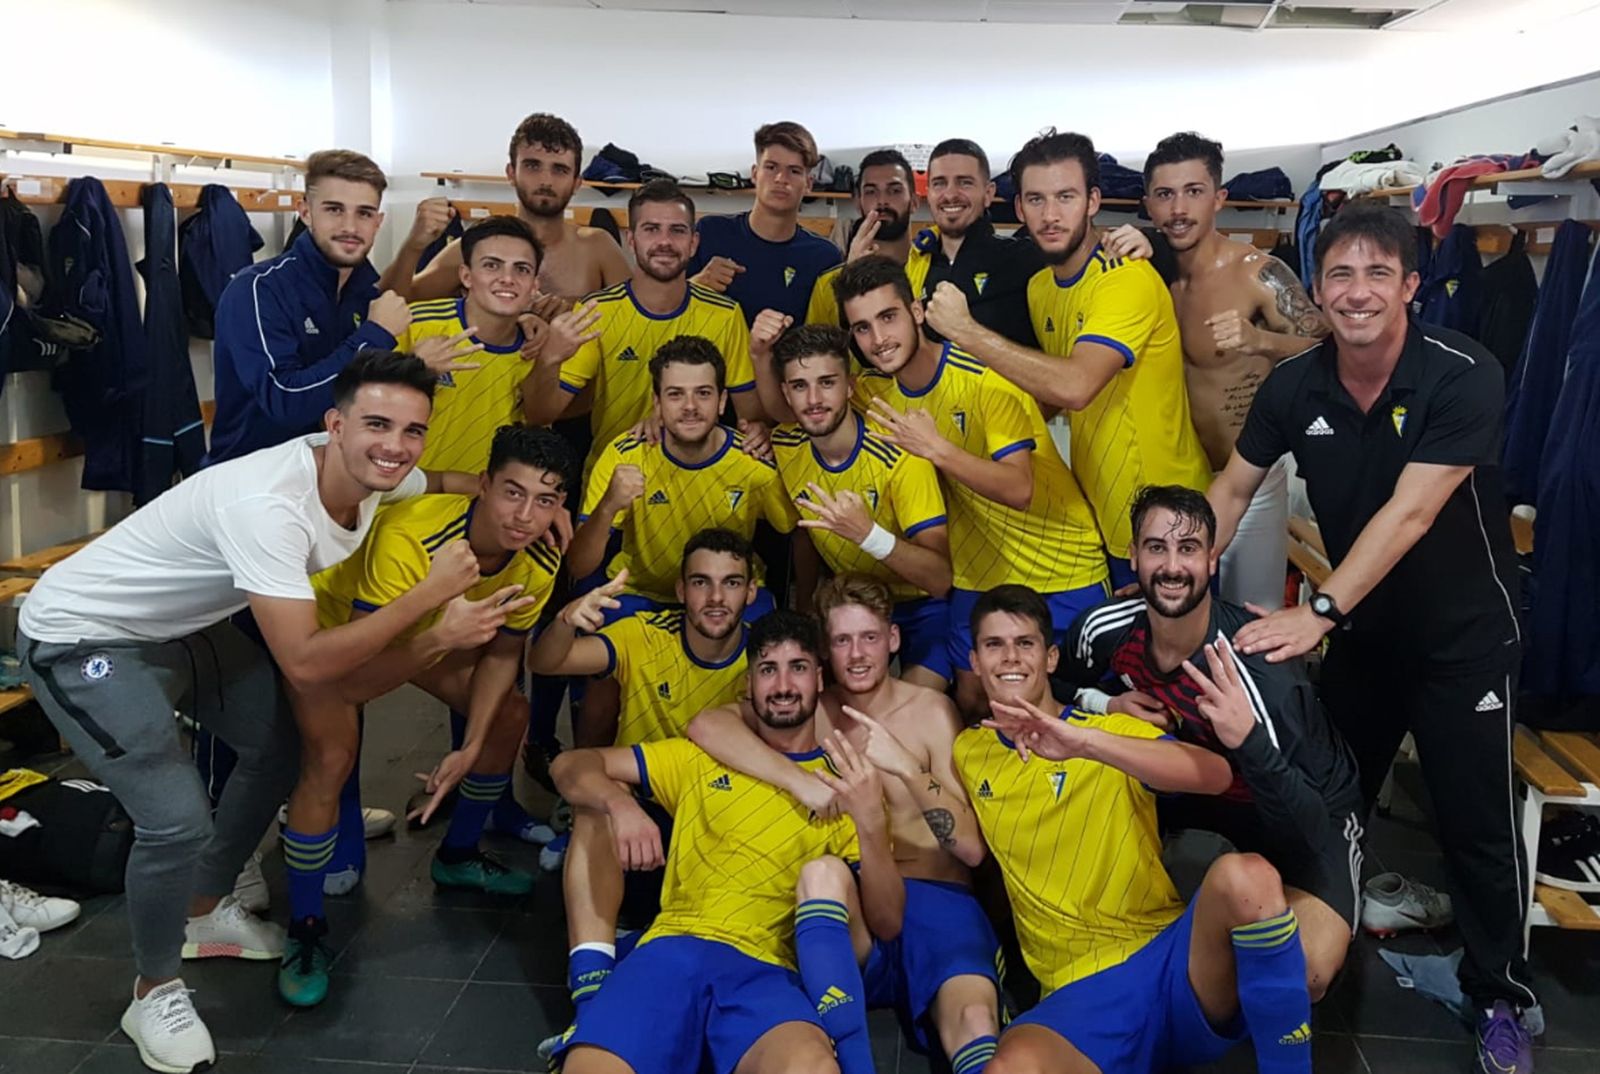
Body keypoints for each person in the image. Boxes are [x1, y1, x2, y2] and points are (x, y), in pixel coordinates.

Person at [13, 352, 470, 1073]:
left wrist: (515, 496)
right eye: (378, 424)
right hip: (81, 636)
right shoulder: (270, 504)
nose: (396, 445)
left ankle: (202, 909)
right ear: (334, 425)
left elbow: (435, 478)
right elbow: (309, 663)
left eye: (413, 430)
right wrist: (430, 599)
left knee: (278, 746)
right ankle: (153, 988)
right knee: (176, 818)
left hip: (176, 629)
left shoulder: (375, 472)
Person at [1207, 203, 1537, 1072]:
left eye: (1377, 274)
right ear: (1316, 291)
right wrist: (1171, 566)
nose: (1357, 293)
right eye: (1341, 276)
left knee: (1473, 822)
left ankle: (1499, 992)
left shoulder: (1464, 373)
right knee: (1330, 796)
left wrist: (1316, 613)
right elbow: (1232, 490)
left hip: (1463, 638)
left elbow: (1411, 512)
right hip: (1369, 636)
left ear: (1411, 286)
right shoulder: (1294, 386)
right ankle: (1316, 942)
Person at [957, 586, 1316, 1074]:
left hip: (1167, 963)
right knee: (1010, 1066)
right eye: (994, 645)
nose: (1010, 657)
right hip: (1079, 995)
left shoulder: (1109, 731)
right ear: (974, 661)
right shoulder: (968, 751)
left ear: (1052, 656)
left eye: (1026, 643)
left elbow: (1215, 776)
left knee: (1247, 877)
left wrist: (1086, 742)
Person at [275, 425, 572, 1007]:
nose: (526, 515)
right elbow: (359, 676)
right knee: (331, 757)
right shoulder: (414, 535)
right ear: (483, 486)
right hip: (334, 632)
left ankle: (457, 856)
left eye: (546, 500)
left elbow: (506, 654)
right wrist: (441, 636)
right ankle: (303, 930)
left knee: (508, 714)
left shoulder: (540, 554)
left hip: (420, 633)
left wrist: (469, 748)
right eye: (513, 492)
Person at [546, 610, 903, 1074]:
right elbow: (570, 766)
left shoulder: (847, 784)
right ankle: (594, 1000)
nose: (782, 685)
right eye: (767, 669)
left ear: (819, 678)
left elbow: (887, 921)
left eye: (798, 667)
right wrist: (621, 804)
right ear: (748, 686)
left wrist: (872, 821)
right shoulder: (700, 759)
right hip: (673, 948)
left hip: (768, 968)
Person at [1057, 485, 1363, 1001]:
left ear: (1212, 558)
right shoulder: (1105, 627)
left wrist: (1248, 741)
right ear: (1132, 556)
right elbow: (1058, 687)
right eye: (1156, 547)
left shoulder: (1262, 670)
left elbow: (1307, 824)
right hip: (1200, 794)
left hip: (1307, 812)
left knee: (1303, 972)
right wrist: (1104, 705)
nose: (1172, 566)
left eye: (1188, 549)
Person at [689, 574, 1004, 1074]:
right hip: (853, 908)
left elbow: (969, 848)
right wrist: (797, 780)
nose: (857, 654)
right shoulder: (816, 708)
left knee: (973, 1020)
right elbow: (706, 725)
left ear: (893, 640)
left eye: (869, 638)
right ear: (825, 652)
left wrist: (904, 764)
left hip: (937, 900)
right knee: (798, 1013)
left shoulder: (930, 711)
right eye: (841, 640)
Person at [925, 130, 1212, 590]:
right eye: (1036, 200)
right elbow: (1048, 397)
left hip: (1172, 525)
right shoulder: (1042, 287)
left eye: (1066, 197)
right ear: (1018, 209)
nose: (1051, 215)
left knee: (1181, 659)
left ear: (1093, 201)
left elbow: (1075, 387)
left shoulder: (1124, 279)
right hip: (1106, 518)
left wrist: (965, 332)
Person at [834, 254, 1107, 716]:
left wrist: (936, 449)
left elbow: (1020, 488)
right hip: (977, 575)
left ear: (917, 312)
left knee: (1075, 708)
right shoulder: (876, 394)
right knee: (974, 701)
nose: (878, 340)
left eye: (888, 317)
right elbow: (809, 402)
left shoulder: (985, 379)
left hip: (1062, 567)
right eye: (862, 328)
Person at [1138, 132, 1328, 610]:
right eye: (1165, 194)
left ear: (1218, 198)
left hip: (1248, 473)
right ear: (1148, 204)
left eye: (1194, 191)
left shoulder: (1255, 272)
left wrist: (1261, 340)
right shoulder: (1146, 272)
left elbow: (1331, 349)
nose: (1179, 208)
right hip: (1173, 477)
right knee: (1171, 619)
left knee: (1249, 618)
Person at [521, 179, 767, 477]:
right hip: (613, 481)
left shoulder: (725, 315)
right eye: (651, 229)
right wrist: (548, 359)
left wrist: (758, 433)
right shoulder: (597, 311)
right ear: (632, 240)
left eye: (677, 230)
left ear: (693, 243)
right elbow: (540, 414)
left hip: (699, 485)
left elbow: (750, 418)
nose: (664, 242)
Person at [767, 324, 954, 688]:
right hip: (850, 606)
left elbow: (940, 578)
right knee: (827, 704)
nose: (814, 399)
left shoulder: (900, 456)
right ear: (785, 394)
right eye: (800, 386)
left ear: (850, 387)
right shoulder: (784, 445)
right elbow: (804, 534)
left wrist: (867, 534)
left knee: (910, 711)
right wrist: (806, 605)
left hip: (921, 606)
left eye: (827, 382)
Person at [567, 336, 796, 617]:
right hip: (640, 593)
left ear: (722, 400)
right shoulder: (624, 455)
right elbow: (578, 567)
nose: (690, 406)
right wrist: (608, 506)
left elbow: (792, 529)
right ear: (657, 402)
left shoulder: (753, 462)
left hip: (726, 598)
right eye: (676, 394)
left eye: (703, 393)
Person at [207, 150, 410, 466]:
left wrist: (420, 366)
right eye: (334, 209)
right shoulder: (258, 290)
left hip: (329, 481)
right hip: (251, 484)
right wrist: (375, 335)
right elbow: (285, 401)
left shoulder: (367, 296)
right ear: (305, 211)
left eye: (365, 213)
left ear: (379, 221)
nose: (350, 226)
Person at [381, 112, 629, 311]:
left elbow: (634, 319)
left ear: (576, 183)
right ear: (511, 173)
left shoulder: (598, 247)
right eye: (533, 166)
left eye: (560, 170)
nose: (545, 180)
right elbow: (393, 304)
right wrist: (413, 245)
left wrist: (573, 309)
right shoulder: (475, 245)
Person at [391, 215, 548, 474]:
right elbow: (361, 405)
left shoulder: (536, 345)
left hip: (483, 505)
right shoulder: (414, 323)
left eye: (521, 269)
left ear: (534, 285)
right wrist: (412, 369)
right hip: (402, 500)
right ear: (466, 276)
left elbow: (541, 423)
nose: (507, 278)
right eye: (492, 265)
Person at [690, 121, 840, 326]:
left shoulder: (825, 257)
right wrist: (696, 284)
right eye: (771, 167)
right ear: (755, 174)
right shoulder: (710, 232)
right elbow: (667, 308)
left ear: (809, 184)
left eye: (794, 171)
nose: (781, 178)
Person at [917, 138, 1045, 348]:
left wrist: (1116, 242)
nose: (950, 195)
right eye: (939, 183)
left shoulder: (1027, 258)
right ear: (928, 193)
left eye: (964, 182)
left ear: (988, 193)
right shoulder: (914, 264)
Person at [806, 148, 926, 329]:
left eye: (894, 191)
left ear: (914, 202)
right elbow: (814, 353)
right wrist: (850, 281)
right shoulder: (827, 286)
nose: (882, 201)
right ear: (857, 202)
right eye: (871, 192)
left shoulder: (933, 272)